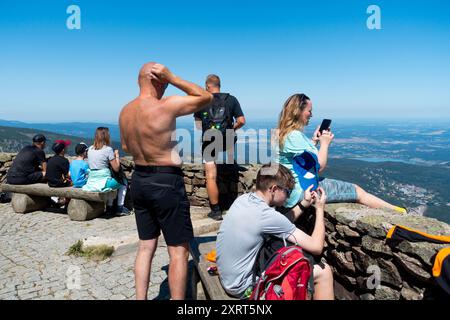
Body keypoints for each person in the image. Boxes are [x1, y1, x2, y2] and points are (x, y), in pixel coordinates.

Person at [119, 62, 212, 300]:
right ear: (159, 80)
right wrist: (173, 77)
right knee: (179, 252)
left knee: (145, 247)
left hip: (139, 180)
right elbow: (205, 97)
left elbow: (127, 146)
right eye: (163, 81)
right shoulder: (166, 105)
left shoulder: (125, 111)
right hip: (165, 181)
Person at [275, 93, 422, 215]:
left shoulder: (284, 133)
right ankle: (401, 212)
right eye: (309, 110)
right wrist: (325, 143)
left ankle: (400, 211)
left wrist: (314, 141)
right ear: (298, 111)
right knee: (358, 192)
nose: (311, 114)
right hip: (302, 191)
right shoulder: (294, 136)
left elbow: (300, 160)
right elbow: (318, 166)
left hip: (292, 189)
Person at [216, 163, 334, 300]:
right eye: (287, 192)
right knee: (324, 272)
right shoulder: (265, 215)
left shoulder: (243, 200)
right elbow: (316, 247)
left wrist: (303, 204)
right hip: (244, 288)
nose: (288, 197)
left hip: (228, 278)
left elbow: (280, 222)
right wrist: (320, 209)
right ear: (273, 189)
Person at [193, 74, 246, 220]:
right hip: (227, 140)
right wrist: (231, 129)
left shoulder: (202, 101)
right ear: (219, 85)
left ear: (207, 86)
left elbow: (198, 125)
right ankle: (231, 162)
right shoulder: (231, 99)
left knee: (211, 175)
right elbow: (241, 121)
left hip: (209, 140)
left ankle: (216, 211)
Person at [82, 127, 130, 216]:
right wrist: (117, 156)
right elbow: (116, 168)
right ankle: (120, 208)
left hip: (91, 182)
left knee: (111, 183)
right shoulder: (108, 150)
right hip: (103, 183)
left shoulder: (90, 149)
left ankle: (109, 207)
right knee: (123, 182)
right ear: (106, 136)